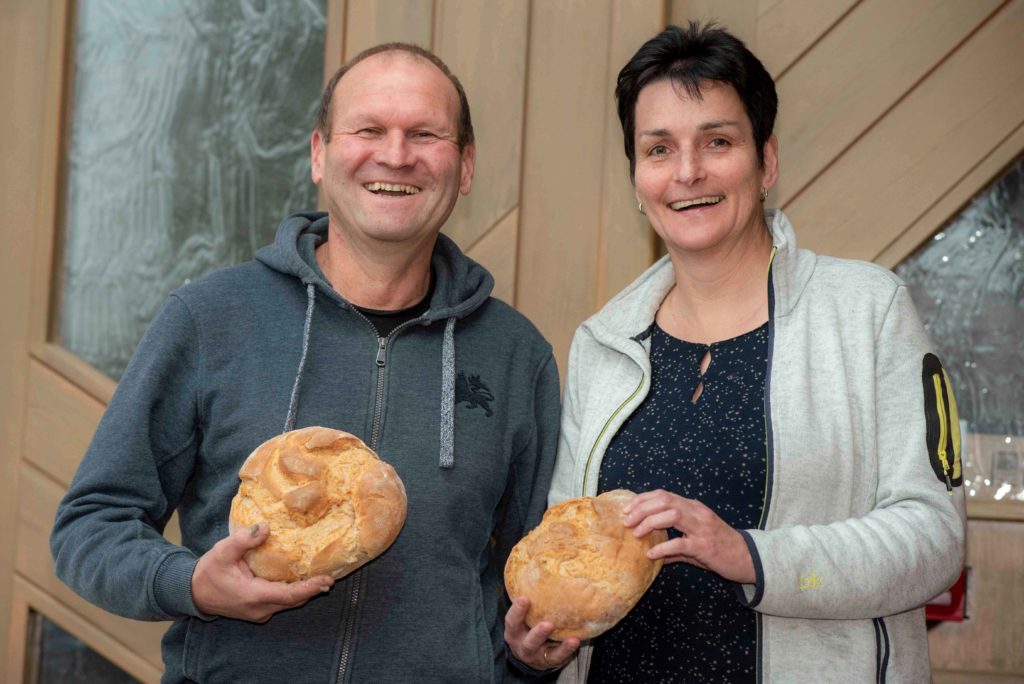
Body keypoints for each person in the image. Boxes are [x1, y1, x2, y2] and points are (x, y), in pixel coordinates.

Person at [51, 43, 560, 683]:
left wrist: (527, 661)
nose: (395, 154)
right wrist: (190, 583)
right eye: (368, 129)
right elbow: (89, 526)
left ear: (465, 165)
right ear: (320, 154)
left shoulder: (516, 355)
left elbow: (532, 580)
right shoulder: (211, 319)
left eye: (425, 134)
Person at [505, 23, 965, 682]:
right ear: (636, 180)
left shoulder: (868, 311)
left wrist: (752, 556)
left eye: (717, 141)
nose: (687, 171)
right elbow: (564, 545)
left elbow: (933, 539)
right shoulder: (603, 343)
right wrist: (542, 644)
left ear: (766, 161)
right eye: (658, 149)